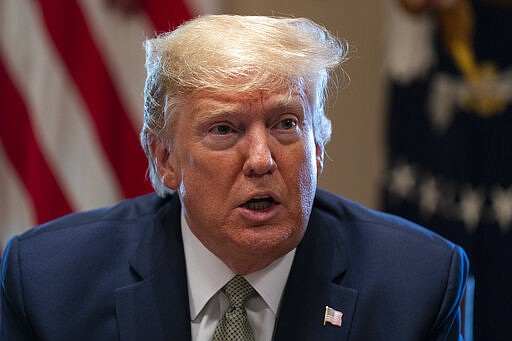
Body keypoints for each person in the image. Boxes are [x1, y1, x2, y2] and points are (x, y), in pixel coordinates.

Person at [0, 14, 468, 340]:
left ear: (319, 146)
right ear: (164, 158)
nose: (262, 160)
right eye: (225, 129)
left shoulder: (417, 283)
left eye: (286, 124)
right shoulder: (48, 283)